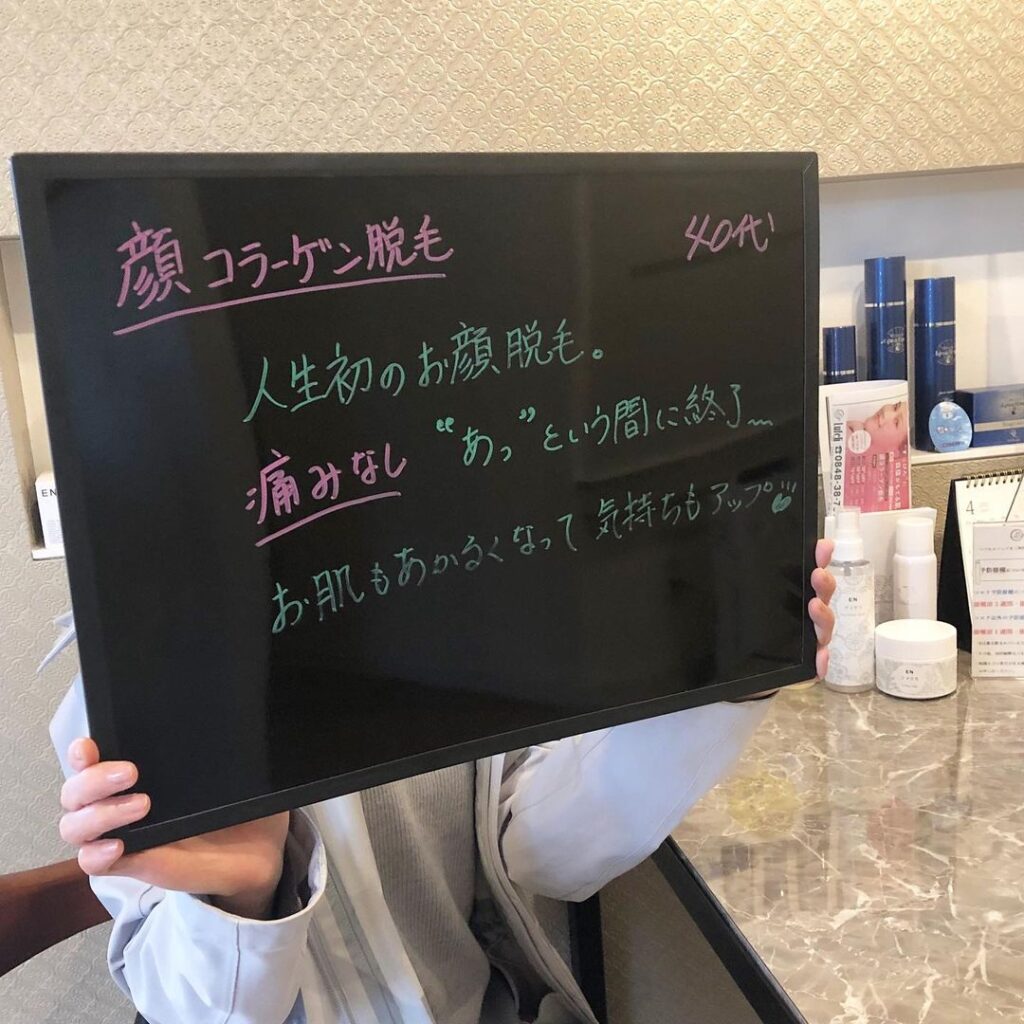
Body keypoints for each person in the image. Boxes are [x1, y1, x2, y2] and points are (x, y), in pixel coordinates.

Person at [50, 542, 836, 1024]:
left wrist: (717, 687)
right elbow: (186, 1006)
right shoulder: (134, 677)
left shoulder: (444, 596)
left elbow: (539, 856)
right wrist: (245, 900)